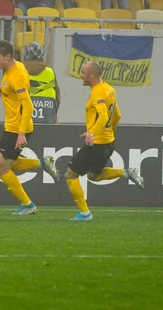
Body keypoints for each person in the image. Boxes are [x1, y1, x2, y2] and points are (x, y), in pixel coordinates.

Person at [55, 61, 145, 221]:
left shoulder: (97, 92)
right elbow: (117, 114)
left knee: (70, 175)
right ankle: (125, 172)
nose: (80, 75)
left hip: (96, 143)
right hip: (108, 142)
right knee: (93, 176)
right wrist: (110, 132)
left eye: (83, 72)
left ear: (92, 75)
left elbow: (103, 115)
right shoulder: (109, 89)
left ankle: (85, 213)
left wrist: (92, 133)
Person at [0, 40, 59, 215]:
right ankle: (42, 163)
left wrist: (21, 134)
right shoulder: (15, 67)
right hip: (13, 126)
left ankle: (28, 204)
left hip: (17, 128)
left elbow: (28, 105)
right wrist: (3, 88)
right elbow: (17, 88)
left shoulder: (17, 74)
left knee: (0, 167)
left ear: (7, 57)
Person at [22, 42, 60, 124]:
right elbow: (58, 97)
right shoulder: (50, 72)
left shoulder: (20, 72)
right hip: (48, 120)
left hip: (24, 123)